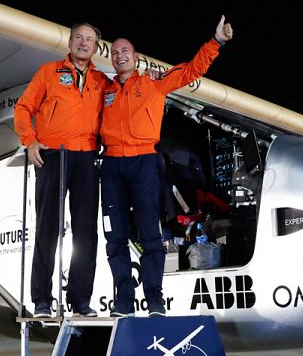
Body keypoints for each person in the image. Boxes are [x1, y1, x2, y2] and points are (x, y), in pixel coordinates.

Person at [100, 16, 234, 317]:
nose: (120, 55)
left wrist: (215, 43)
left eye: (125, 51)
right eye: (115, 52)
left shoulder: (153, 85)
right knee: (115, 237)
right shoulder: (103, 90)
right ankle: (123, 301)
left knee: (151, 234)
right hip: (111, 165)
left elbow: (191, 70)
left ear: (136, 58)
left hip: (144, 162)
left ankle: (155, 300)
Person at [14, 22, 109, 319]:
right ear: (69, 43)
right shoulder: (48, 72)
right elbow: (23, 108)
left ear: (96, 48)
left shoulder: (102, 80)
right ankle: (41, 299)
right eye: (78, 37)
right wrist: (29, 142)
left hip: (87, 158)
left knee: (86, 232)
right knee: (47, 227)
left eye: (89, 39)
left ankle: (80, 299)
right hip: (53, 156)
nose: (83, 43)